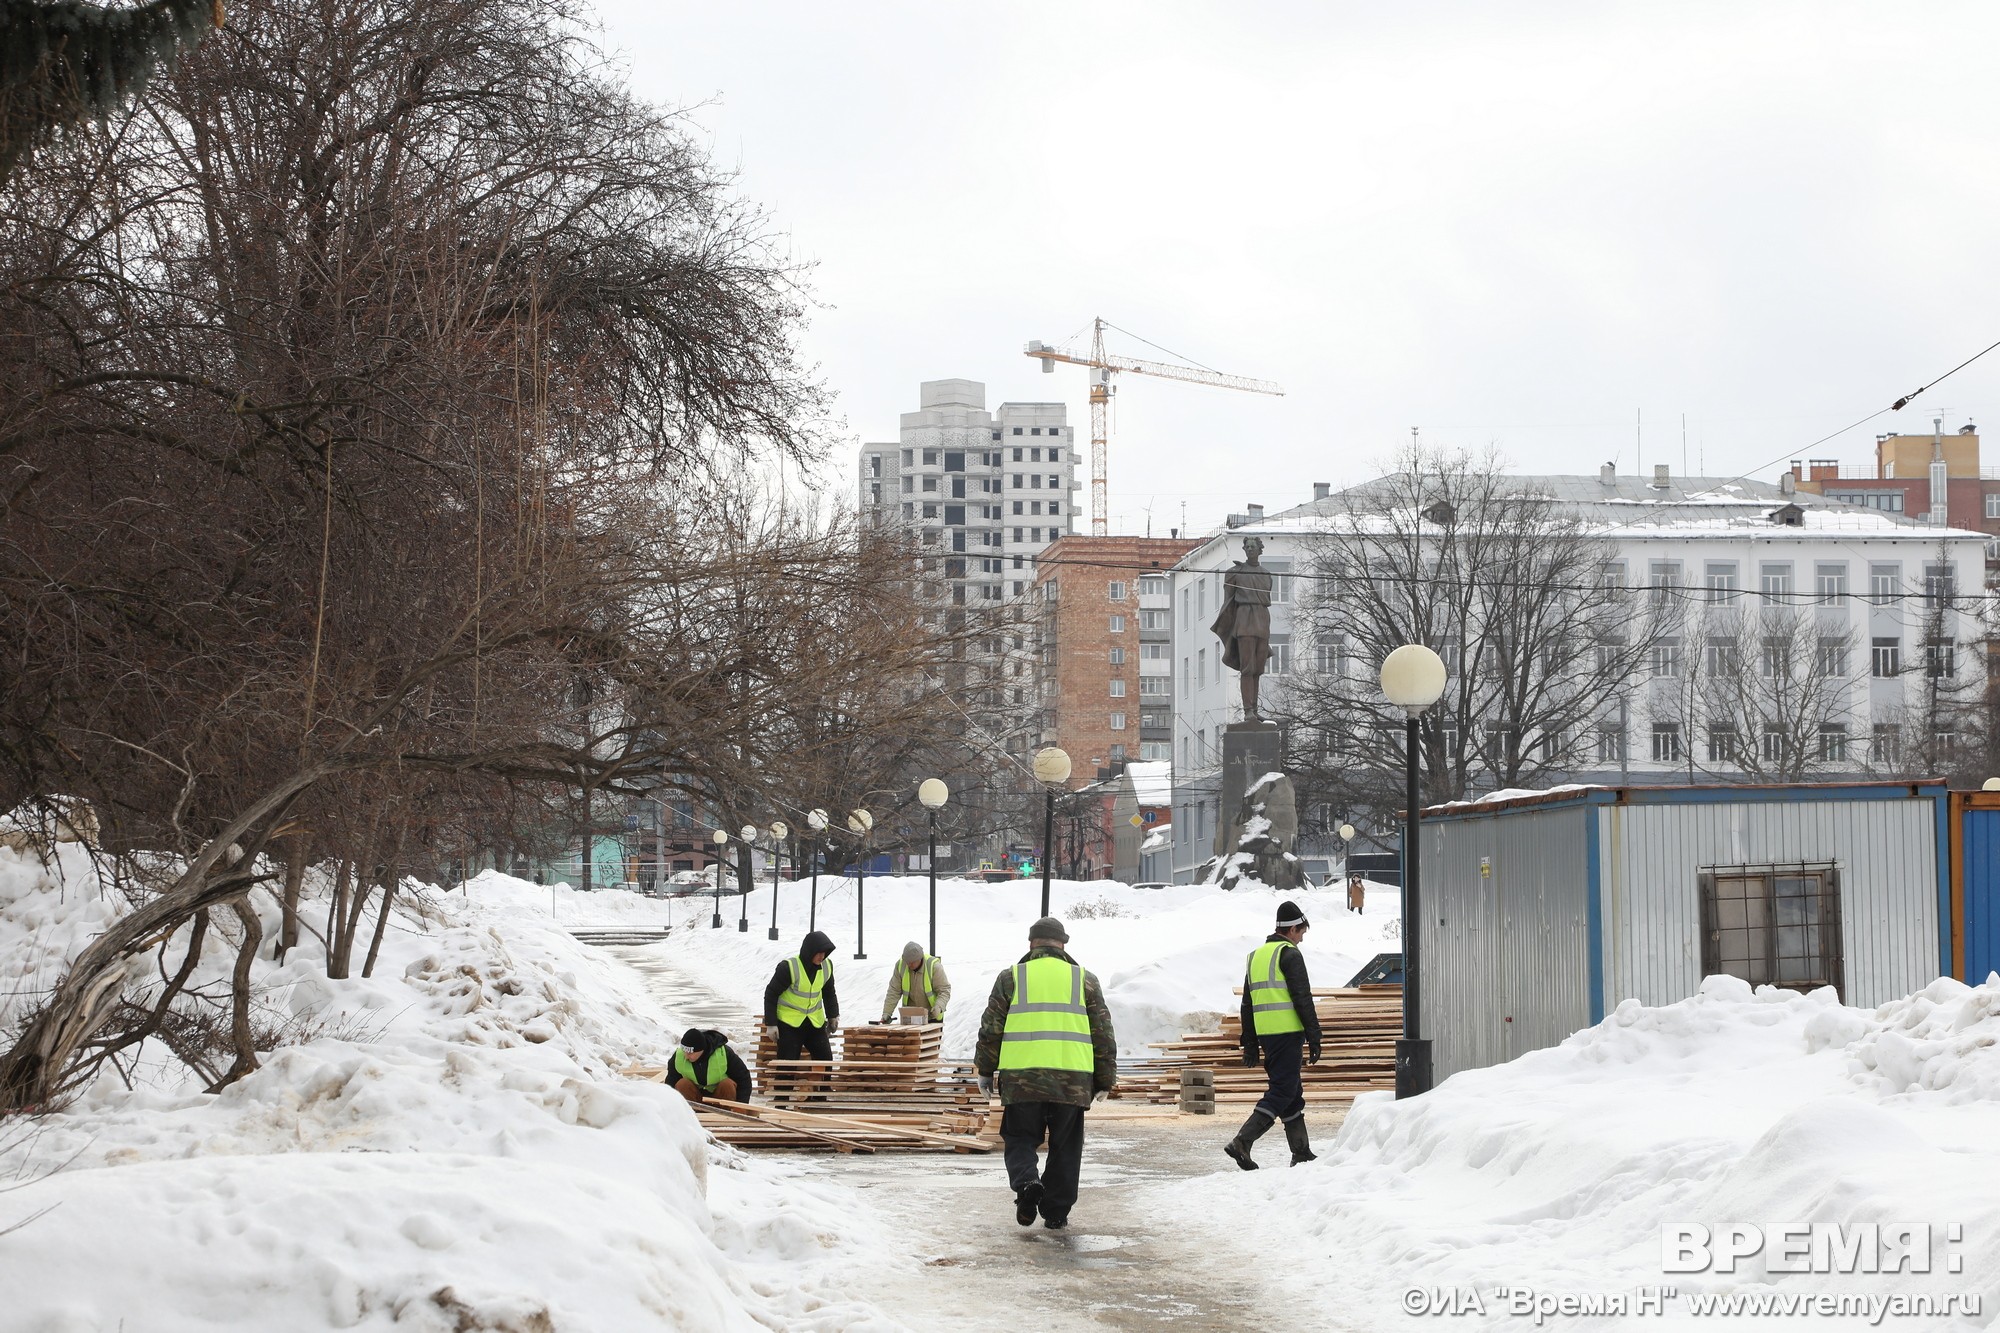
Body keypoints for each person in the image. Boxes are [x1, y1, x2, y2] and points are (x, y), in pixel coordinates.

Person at [973, 916, 1117, 1231]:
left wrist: (985, 1069)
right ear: (1063, 944)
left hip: (1022, 1080)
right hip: (1072, 1081)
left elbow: (990, 1029)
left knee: (1020, 1138)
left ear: (1031, 944)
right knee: (1066, 1146)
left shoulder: (1011, 978)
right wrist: (1105, 1079)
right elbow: (1103, 1034)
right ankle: (1056, 1212)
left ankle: (1027, 1184)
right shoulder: (1085, 979)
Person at [1224, 899, 1324, 1170]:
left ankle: (1301, 1151)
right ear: (1291, 930)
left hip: (1269, 1036)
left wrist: (1251, 1042)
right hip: (1288, 1032)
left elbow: (1247, 1003)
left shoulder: (1256, 957)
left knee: (1291, 1090)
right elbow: (1302, 997)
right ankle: (1242, 1142)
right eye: (1301, 932)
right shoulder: (1289, 954)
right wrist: (1315, 1036)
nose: (1301, 939)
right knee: (1282, 1090)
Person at [763, 930, 839, 1100]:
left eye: (824, 953)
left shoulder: (827, 967)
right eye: (818, 953)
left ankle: (821, 1098)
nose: (822, 956)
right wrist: (771, 1024)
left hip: (814, 1021)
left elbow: (829, 992)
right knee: (788, 1063)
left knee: (825, 1060)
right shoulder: (789, 967)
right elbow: (771, 993)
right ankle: (781, 1101)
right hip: (790, 1023)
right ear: (809, 951)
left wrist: (833, 1015)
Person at [669, 1028, 752, 1105]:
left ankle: (727, 1115)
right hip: (695, 1103)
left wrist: (741, 1106)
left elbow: (743, 1079)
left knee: (727, 1084)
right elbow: (670, 1083)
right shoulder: (678, 1057)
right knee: (682, 1084)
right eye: (684, 1052)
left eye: (690, 1053)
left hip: (721, 1101)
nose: (686, 1057)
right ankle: (691, 1116)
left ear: (701, 1050)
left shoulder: (723, 1054)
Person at [880, 941, 951, 1023]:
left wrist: (939, 1006)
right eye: (907, 962)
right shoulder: (900, 966)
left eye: (912, 962)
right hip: (910, 1017)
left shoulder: (934, 967)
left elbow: (944, 990)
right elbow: (894, 991)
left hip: (932, 1016)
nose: (909, 965)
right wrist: (887, 1013)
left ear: (920, 958)